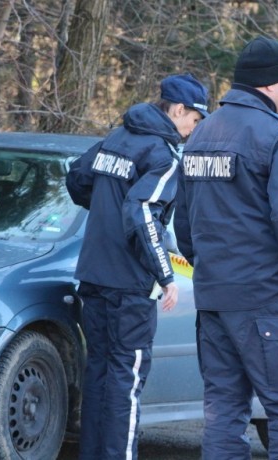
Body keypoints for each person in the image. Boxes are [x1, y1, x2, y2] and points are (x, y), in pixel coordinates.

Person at [174, 37, 278, 459]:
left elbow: (185, 227)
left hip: (214, 302)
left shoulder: (201, 133)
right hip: (269, 302)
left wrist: (214, 271)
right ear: (268, 84)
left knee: (225, 414)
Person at [66, 73, 209, 460]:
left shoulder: (116, 138)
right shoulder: (162, 156)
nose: (193, 130)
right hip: (130, 286)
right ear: (178, 110)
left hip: (93, 277)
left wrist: (104, 214)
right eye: (195, 120)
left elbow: (77, 177)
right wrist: (166, 275)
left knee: (99, 373)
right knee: (125, 382)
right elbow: (144, 212)